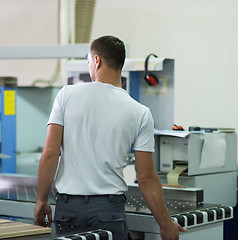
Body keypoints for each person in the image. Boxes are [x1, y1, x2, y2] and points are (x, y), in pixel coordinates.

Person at [34, 35, 186, 240]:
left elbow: (50, 153)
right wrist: (165, 223)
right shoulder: (140, 112)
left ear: (97, 61)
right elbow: (146, 177)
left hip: (69, 209)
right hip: (108, 211)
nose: (89, 66)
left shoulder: (66, 95)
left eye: (88, 61)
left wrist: (41, 199)